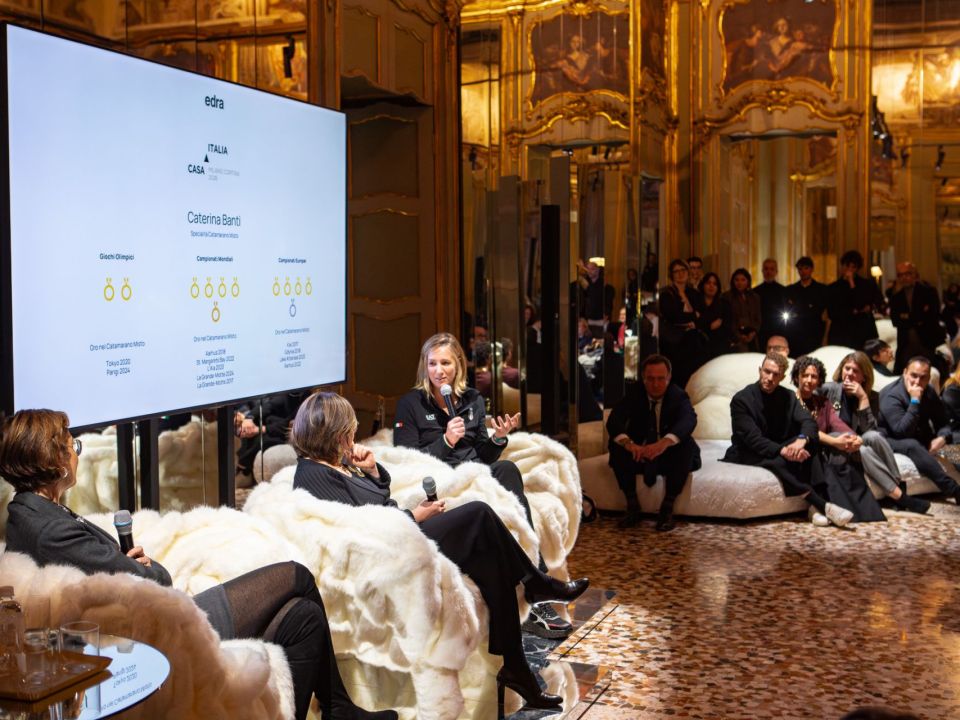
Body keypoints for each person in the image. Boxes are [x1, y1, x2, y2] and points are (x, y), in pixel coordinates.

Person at [0, 409, 397, 720]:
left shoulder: (31, 513)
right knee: (297, 575)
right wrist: (146, 567)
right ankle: (340, 709)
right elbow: (154, 580)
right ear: (53, 458)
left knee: (304, 617)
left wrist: (129, 565)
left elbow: (112, 574)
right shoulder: (49, 529)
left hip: (150, 617)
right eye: (71, 446)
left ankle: (336, 710)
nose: (76, 453)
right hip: (161, 632)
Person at [291, 392, 589, 715]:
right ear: (335, 434)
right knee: (478, 513)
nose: (353, 435)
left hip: (400, 531)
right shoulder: (313, 474)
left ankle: (517, 667)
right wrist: (415, 516)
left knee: (491, 561)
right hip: (391, 549)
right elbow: (362, 528)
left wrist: (374, 470)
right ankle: (535, 583)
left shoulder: (337, 464)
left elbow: (378, 499)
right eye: (349, 430)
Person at [393, 333, 575, 640]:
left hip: (477, 471)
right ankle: (536, 583)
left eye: (445, 363)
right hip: (444, 479)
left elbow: (483, 453)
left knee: (507, 468)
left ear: (458, 365)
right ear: (424, 366)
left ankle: (535, 580)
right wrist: (446, 440)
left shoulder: (473, 400)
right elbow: (406, 459)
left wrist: (498, 439)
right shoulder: (410, 404)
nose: (439, 371)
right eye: (432, 363)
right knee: (492, 490)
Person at [721, 352, 854, 527]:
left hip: (779, 445)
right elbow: (753, 439)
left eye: (775, 374)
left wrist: (801, 441)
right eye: (767, 372)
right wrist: (784, 451)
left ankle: (815, 508)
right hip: (748, 450)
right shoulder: (742, 399)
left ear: (782, 377)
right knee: (777, 460)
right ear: (760, 370)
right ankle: (823, 505)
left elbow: (809, 423)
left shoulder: (788, 396)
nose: (770, 378)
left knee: (812, 444)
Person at [820, 352, 930, 514]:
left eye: (855, 371)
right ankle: (900, 497)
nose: (849, 373)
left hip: (857, 440)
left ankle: (898, 487)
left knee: (875, 436)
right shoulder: (829, 389)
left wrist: (862, 398)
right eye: (847, 368)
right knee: (863, 450)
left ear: (864, 376)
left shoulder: (871, 396)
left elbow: (869, 430)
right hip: (835, 442)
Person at [606, 355, 700, 531]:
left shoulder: (678, 395)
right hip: (639, 453)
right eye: (650, 379)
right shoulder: (634, 393)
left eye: (660, 379)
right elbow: (614, 420)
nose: (655, 384)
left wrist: (664, 443)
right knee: (616, 444)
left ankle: (667, 509)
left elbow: (689, 420)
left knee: (685, 444)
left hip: (667, 455)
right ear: (643, 378)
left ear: (668, 378)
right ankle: (632, 506)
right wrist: (629, 444)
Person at [792, 356, 885, 524]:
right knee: (833, 447)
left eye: (814, 376)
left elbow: (837, 423)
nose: (809, 380)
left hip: (827, 449)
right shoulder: (792, 400)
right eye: (805, 375)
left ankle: (861, 512)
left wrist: (854, 438)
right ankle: (822, 507)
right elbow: (806, 431)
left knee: (842, 448)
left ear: (820, 380)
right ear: (796, 377)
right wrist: (835, 442)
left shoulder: (822, 402)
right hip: (807, 449)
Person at [879, 356, 960, 505]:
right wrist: (915, 400)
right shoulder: (891, 395)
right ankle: (954, 490)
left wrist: (942, 437)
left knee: (954, 438)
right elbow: (902, 432)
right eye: (913, 375)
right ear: (905, 373)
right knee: (912, 444)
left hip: (920, 435)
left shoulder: (928, 391)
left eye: (923, 377)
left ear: (929, 378)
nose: (917, 382)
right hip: (891, 438)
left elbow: (944, 423)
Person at [888, 262, 946, 375]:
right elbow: (895, 321)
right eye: (900, 275)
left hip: (927, 341)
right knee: (903, 375)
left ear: (915, 274)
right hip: (906, 343)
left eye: (907, 274)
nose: (904, 277)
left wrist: (906, 316)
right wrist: (917, 317)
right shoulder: (896, 297)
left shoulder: (929, 291)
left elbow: (933, 315)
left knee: (930, 374)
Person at [659, 259, 705, 388]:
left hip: (693, 341)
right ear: (671, 275)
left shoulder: (693, 293)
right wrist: (693, 316)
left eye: (683, 270)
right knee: (679, 378)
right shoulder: (666, 293)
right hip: (675, 343)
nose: (680, 273)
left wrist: (693, 320)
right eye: (676, 271)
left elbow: (703, 314)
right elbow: (674, 316)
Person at [826, 250, 881, 350]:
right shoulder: (833, 287)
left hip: (861, 329)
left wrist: (852, 283)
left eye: (853, 267)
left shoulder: (866, 284)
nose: (849, 270)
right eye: (847, 266)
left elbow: (861, 304)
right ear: (842, 266)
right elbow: (832, 312)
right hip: (841, 330)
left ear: (857, 268)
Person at [785, 256, 828, 357]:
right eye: (800, 269)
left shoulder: (821, 290)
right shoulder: (791, 290)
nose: (803, 271)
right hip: (795, 335)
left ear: (812, 269)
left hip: (814, 334)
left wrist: (825, 338)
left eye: (806, 268)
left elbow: (826, 316)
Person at [696, 272, 733, 360]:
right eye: (708, 283)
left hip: (719, 347)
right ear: (703, 285)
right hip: (698, 346)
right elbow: (695, 325)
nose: (711, 286)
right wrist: (709, 327)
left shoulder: (724, 304)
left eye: (715, 284)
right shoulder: (695, 302)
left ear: (718, 287)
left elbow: (727, 328)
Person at [723, 268, 761, 352]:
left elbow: (758, 318)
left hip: (753, 337)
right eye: (736, 280)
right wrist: (739, 336)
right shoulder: (727, 297)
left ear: (748, 281)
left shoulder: (755, 297)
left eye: (743, 280)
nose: (739, 283)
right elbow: (728, 320)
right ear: (732, 281)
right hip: (734, 339)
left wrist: (753, 332)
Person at [754, 258, 788, 346]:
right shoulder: (755, 291)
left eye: (772, 269)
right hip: (761, 332)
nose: (768, 272)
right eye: (766, 269)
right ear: (762, 271)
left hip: (780, 331)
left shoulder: (784, 291)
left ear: (776, 272)